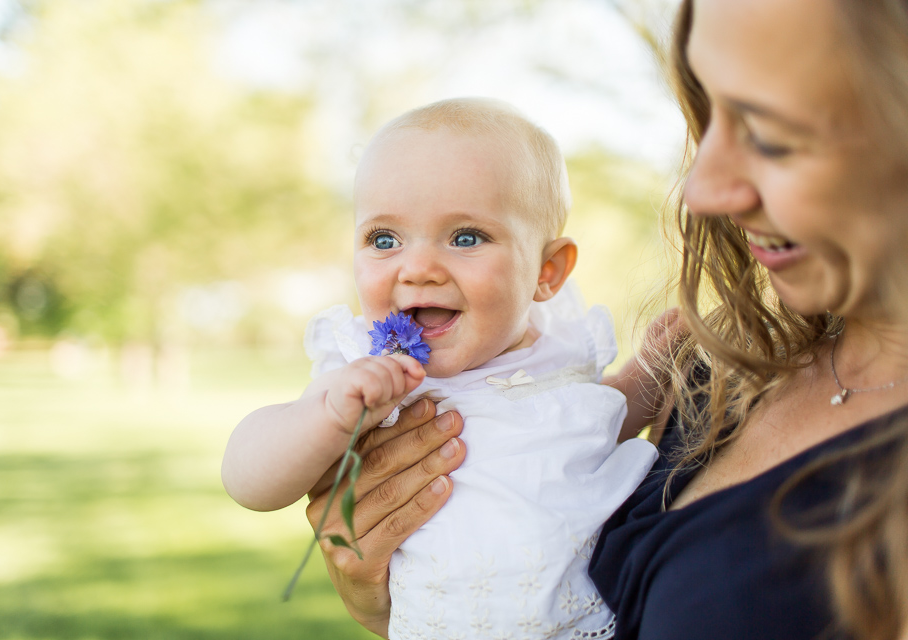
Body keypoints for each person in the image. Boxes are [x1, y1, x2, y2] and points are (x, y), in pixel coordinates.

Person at [305, 1, 908, 639]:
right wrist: (389, 597)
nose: (702, 189)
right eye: (710, 122)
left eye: (769, 131)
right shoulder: (720, 380)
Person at [221, 98, 658, 639]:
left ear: (546, 271)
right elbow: (248, 482)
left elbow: (594, 428)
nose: (419, 267)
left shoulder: (561, 355)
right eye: (384, 239)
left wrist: (651, 374)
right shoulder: (363, 373)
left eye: (465, 237)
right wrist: (327, 415)